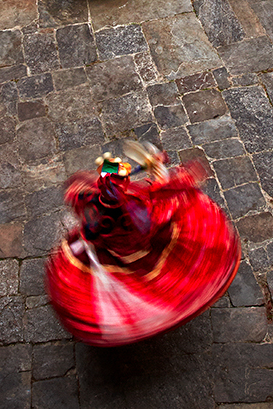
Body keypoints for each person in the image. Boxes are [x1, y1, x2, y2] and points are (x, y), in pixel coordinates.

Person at [45, 144, 240, 346]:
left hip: (103, 245)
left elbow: (97, 179)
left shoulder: (87, 198)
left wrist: (141, 166)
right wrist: (182, 176)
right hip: (134, 250)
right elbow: (164, 202)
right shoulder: (136, 215)